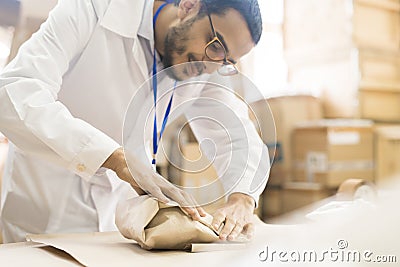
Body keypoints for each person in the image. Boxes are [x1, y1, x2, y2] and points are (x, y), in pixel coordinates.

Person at [0, 0, 269, 243]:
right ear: (190, 6)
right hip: (45, 204)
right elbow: (14, 91)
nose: (211, 66)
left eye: (225, 60)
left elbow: (238, 136)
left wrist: (242, 198)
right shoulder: (96, 8)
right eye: (216, 44)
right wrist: (114, 158)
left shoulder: (208, 66)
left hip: (119, 225)